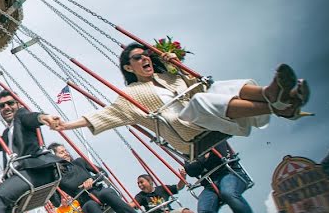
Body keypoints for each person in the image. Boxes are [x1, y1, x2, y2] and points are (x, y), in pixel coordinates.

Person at [48, 43, 311, 155]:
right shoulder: (129, 96)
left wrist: (179, 66)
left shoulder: (172, 79)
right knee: (199, 103)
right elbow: (101, 116)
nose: (145, 59)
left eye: (147, 55)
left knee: (217, 86)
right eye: (138, 58)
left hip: (209, 116)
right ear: (129, 68)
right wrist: (65, 126)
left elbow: (200, 88)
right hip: (186, 134)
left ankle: (274, 97)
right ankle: (279, 106)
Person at [51, 142, 152, 213]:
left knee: (108, 193)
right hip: (84, 202)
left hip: (98, 191)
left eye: (66, 150)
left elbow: (103, 172)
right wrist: (52, 186)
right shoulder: (57, 178)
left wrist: (91, 179)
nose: (66, 153)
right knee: (91, 207)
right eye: (61, 152)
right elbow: (56, 202)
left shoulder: (79, 162)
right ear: (54, 157)